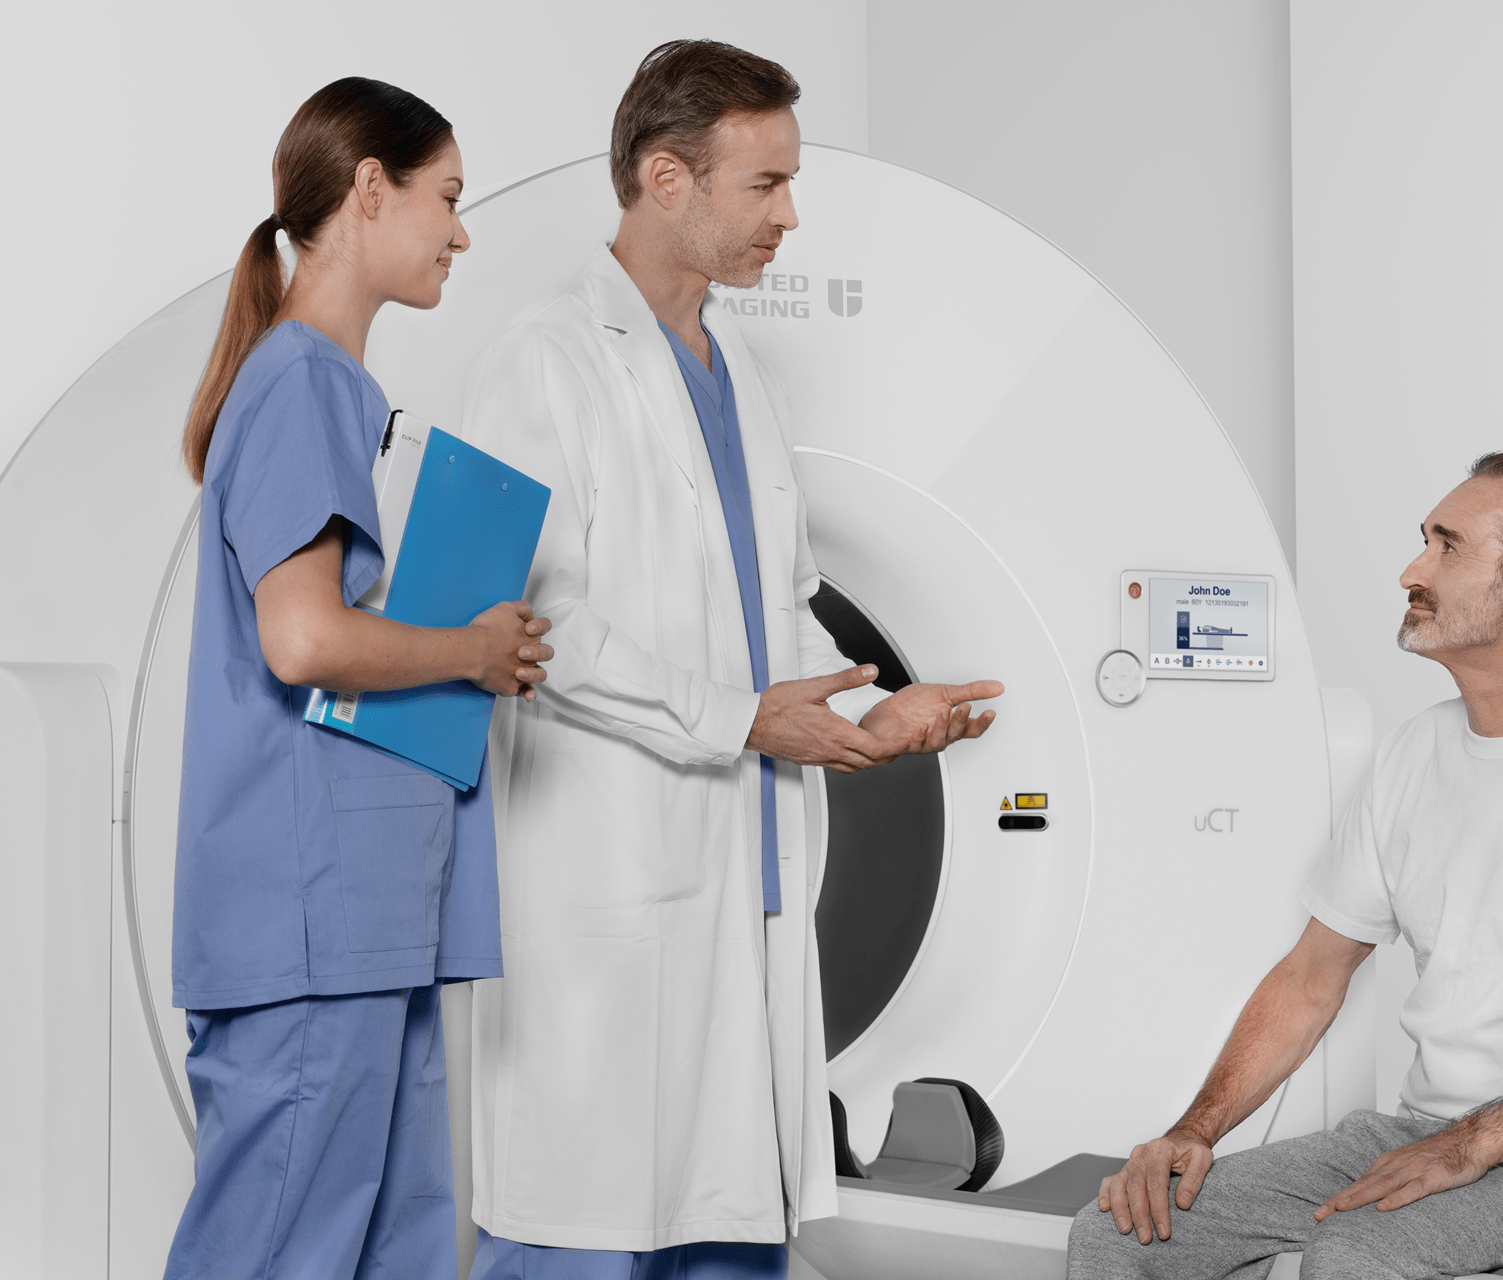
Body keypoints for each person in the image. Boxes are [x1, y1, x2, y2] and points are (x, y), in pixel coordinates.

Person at [456, 39, 1003, 1279]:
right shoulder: (538, 360)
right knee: (578, 1231)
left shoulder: (740, 372)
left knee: (726, 1226)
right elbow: (525, 623)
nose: (791, 216)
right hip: (607, 882)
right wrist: (740, 716)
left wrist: (873, 711)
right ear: (666, 177)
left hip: (743, 883)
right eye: (765, 185)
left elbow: (777, 607)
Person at [1071, 452, 1503, 1279]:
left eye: (1448, 547)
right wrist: (1193, 1131)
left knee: (1359, 1256)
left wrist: (1473, 1146)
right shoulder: (1412, 754)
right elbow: (1310, 979)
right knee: (1117, 1232)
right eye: (1421, 543)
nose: (1411, 570)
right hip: (1419, 1135)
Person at [165, 78, 553, 1280]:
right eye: (446, 198)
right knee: (280, 1247)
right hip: (308, 919)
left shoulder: (339, 388)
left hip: (369, 917)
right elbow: (304, 640)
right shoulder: (298, 380)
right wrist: (471, 650)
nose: (461, 231)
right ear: (369, 189)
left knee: (393, 1247)